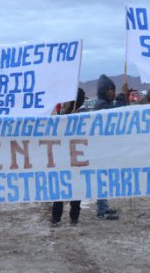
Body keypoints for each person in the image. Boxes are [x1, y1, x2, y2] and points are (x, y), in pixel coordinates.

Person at [92, 74, 128, 220]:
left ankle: (104, 207)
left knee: (104, 179)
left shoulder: (102, 103)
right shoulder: (101, 105)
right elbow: (115, 114)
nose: (111, 92)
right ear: (103, 91)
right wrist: (122, 96)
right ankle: (101, 211)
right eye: (109, 90)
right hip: (100, 150)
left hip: (103, 149)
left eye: (113, 90)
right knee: (101, 179)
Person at [51, 88, 86, 226]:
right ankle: (56, 217)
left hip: (77, 160)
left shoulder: (83, 115)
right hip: (62, 159)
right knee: (59, 189)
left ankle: (74, 216)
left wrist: (77, 121)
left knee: (76, 190)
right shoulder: (62, 115)